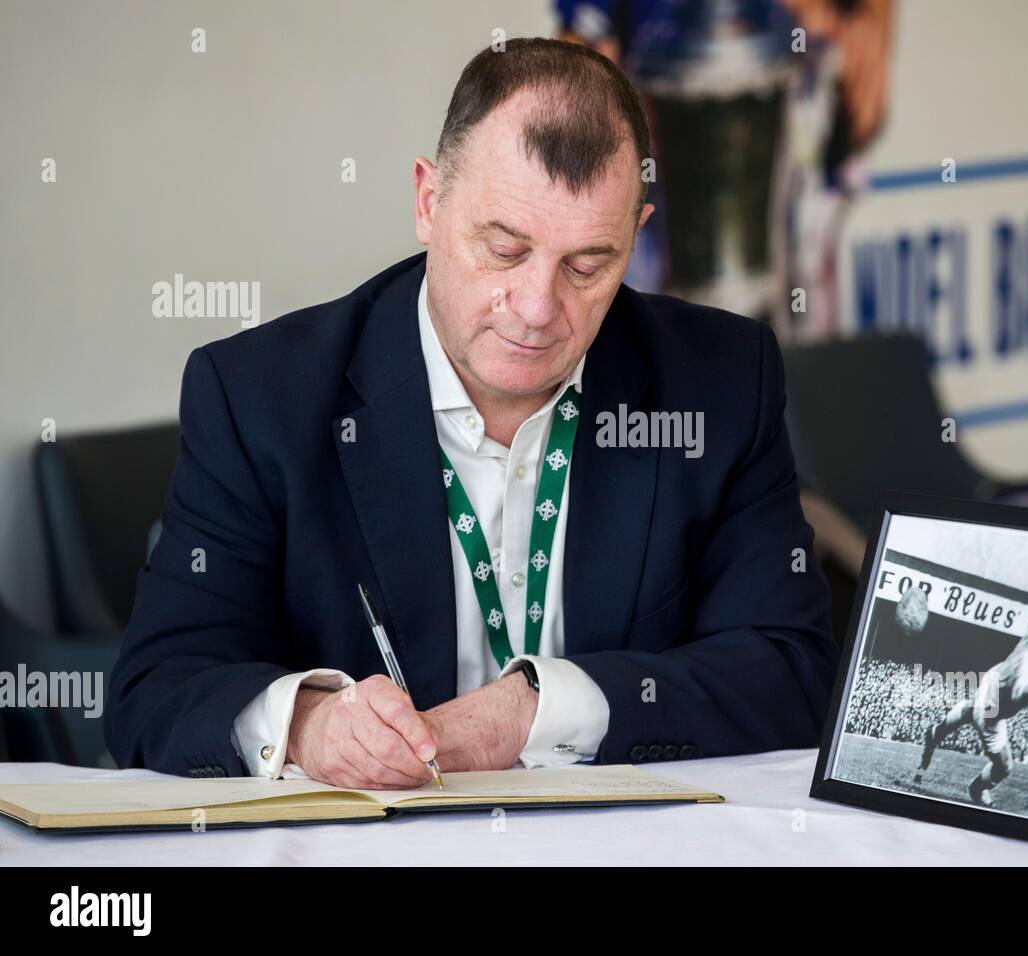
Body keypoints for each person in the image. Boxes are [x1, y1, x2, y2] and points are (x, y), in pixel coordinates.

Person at [106, 38, 836, 789]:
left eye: (588, 265)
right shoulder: (261, 398)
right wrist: (307, 725)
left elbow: (790, 673)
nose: (537, 308)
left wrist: (533, 712)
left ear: (636, 236)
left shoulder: (719, 383)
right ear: (428, 202)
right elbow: (156, 689)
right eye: (503, 248)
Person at [915, 552, 1028, 806]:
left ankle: (935, 731)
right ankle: (977, 788)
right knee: (1006, 766)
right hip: (990, 713)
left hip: (990, 683)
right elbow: (1021, 690)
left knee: (966, 712)